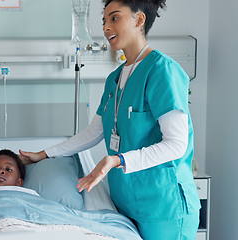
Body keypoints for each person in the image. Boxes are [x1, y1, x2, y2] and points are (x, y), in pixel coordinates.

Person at [20, 0, 200, 239]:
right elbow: (94, 132)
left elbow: (176, 145)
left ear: (139, 20)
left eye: (114, 18)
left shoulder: (162, 70)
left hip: (162, 206)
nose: (105, 27)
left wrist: (117, 160)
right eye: (104, 21)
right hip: (125, 203)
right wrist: (44, 154)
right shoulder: (115, 78)